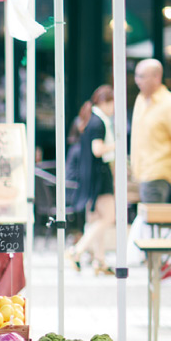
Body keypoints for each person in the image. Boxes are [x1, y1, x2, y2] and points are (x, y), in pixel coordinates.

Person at [67, 85, 116, 274]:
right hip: (100, 176)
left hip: (89, 176)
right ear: (104, 102)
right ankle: (76, 250)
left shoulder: (90, 120)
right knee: (108, 217)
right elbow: (98, 149)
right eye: (112, 104)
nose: (113, 109)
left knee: (96, 219)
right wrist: (117, 144)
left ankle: (99, 260)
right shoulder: (98, 122)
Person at [130, 59, 171, 204]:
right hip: (140, 172)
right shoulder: (140, 100)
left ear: (156, 77)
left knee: (152, 221)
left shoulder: (170, 104)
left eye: (142, 76)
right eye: (136, 75)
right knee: (148, 221)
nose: (137, 81)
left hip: (158, 173)